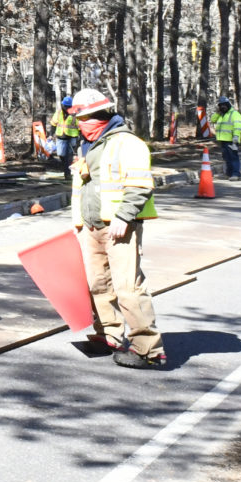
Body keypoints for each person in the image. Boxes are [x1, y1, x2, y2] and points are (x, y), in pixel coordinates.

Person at [67, 87, 165, 370]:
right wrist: (80, 224)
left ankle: (147, 348)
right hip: (92, 226)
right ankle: (108, 334)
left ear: (101, 115)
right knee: (97, 283)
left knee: (127, 287)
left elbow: (139, 185)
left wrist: (123, 216)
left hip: (120, 226)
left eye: (83, 118)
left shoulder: (127, 143)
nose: (79, 124)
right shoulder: (89, 144)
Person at [211, 97, 241, 180]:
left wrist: (236, 137)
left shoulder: (234, 114)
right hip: (223, 140)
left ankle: (235, 174)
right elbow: (213, 120)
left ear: (228, 105)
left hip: (232, 140)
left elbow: (238, 126)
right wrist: (218, 112)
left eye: (224, 105)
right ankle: (229, 173)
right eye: (221, 106)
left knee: (233, 157)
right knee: (227, 158)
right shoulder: (221, 114)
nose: (223, 107)